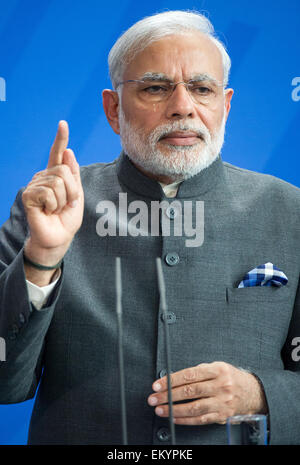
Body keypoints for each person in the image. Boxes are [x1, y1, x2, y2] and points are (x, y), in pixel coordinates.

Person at [0, 10, 300, 445]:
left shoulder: (290, 212)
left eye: (202, 89)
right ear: (113, 108)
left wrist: (260, 393)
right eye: (156, 88)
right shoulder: (48, 207)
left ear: (225, 105)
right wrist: (41, 258)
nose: (183, 107)